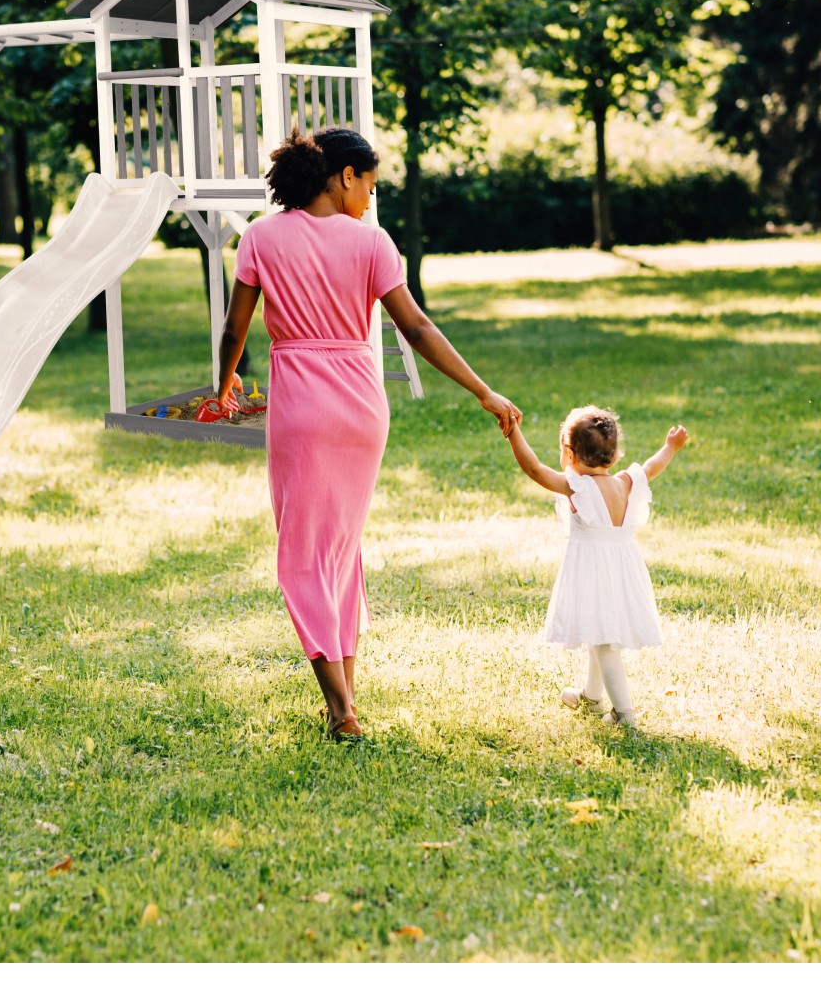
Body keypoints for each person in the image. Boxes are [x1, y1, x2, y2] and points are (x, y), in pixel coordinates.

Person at [216, 127, 522, 741]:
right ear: (344, 175)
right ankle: (346, 697)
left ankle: (340, 709)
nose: (370, 200)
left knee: (304, 555)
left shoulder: (260, 236)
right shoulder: (372, 243)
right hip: (361, 406)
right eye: (370, 186)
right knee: (339, 550)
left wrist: (222, 384)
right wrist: (482, 389)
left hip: (301, 406)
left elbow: (235, 330)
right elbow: (416, 328)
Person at [503, 405, 689, 729]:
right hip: (622, 572)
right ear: (614, 456)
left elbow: (533, 469)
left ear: (570, 454)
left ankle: (624, 714)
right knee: (597, 631)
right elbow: (652, 467)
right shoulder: (626, 482)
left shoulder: (578, 487)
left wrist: (512, 431)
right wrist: (670, 447)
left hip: (594, 574)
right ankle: (591, 696)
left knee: (604, 644)